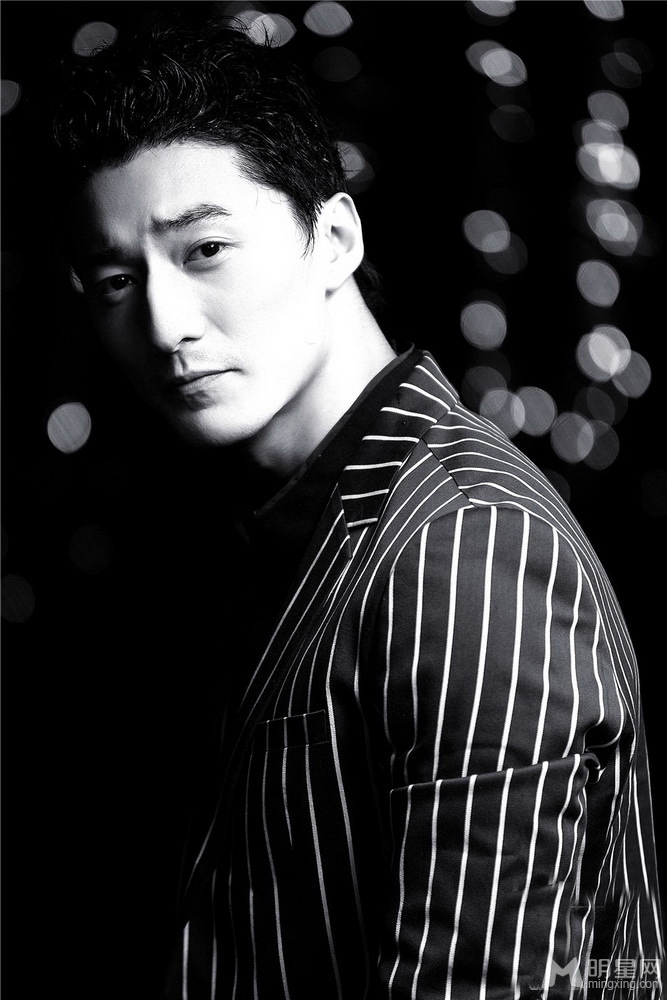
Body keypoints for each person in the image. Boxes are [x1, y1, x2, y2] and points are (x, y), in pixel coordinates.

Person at [36, 10, 663, 998]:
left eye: (205, 249)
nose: (162, 322)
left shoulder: (465, 546)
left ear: (332, 239)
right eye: (116, 279)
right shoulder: (281, 523)